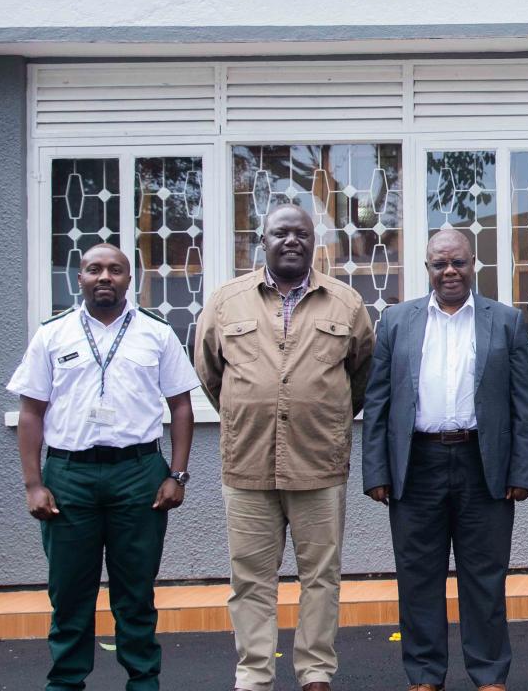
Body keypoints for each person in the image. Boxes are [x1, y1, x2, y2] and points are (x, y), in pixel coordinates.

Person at [194, 203, 376, 691]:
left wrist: (326, 413)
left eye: (301, 233)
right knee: (251, 580)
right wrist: (244, 411)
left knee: (322, 577)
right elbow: (211, 374)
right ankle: (254, 675)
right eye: (280, 233)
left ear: (314, 241)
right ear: (263, 240)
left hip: (319, 463)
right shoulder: (226, 301)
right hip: (248, 463)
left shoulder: (346, 303)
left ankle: (316, 672)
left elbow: (360, 375)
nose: (291, 240)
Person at [8, 243, 200, 691]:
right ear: (80, 278)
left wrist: (177, 475)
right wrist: (33, 484)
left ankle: (143, 681)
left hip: (138, 475)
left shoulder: (156, 332)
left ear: (129, 279)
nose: (105, 277)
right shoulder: (53, 334)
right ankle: (66, 683)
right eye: (94, 269)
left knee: (135, 592)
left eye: (115, 269)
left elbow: (182, 407)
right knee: (70, 593)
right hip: (69, 477)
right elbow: (31, 412)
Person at [361, 229, 528, 691]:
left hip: (485, 464)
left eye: (458, 262)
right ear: (427, 270)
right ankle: (424, 675)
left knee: (485, 577)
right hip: (416, 465)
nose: (449, 272)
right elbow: (377, 402)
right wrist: (377, 470)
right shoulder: (396, 321)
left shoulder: (506, 321)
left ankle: (489, 676)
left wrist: (522, 471)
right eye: (440, 264)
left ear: (473, 263)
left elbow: (523, 405)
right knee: (418, 576)